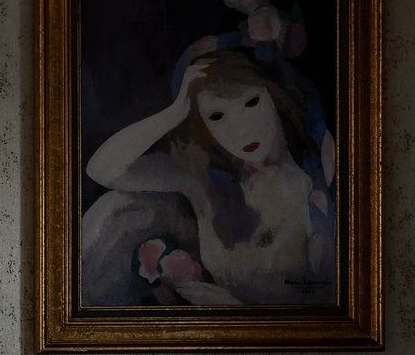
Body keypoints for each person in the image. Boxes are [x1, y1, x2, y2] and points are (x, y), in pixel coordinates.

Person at [82, 46, 336, 307]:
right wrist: (176, 110)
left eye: (251, 102)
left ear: (273, 95)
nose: (241, 129)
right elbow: (102, 170)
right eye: (217, 116)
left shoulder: (316, 182)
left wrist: (234, 311)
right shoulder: (202, 180)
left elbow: (328, 307)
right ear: (204, 125)